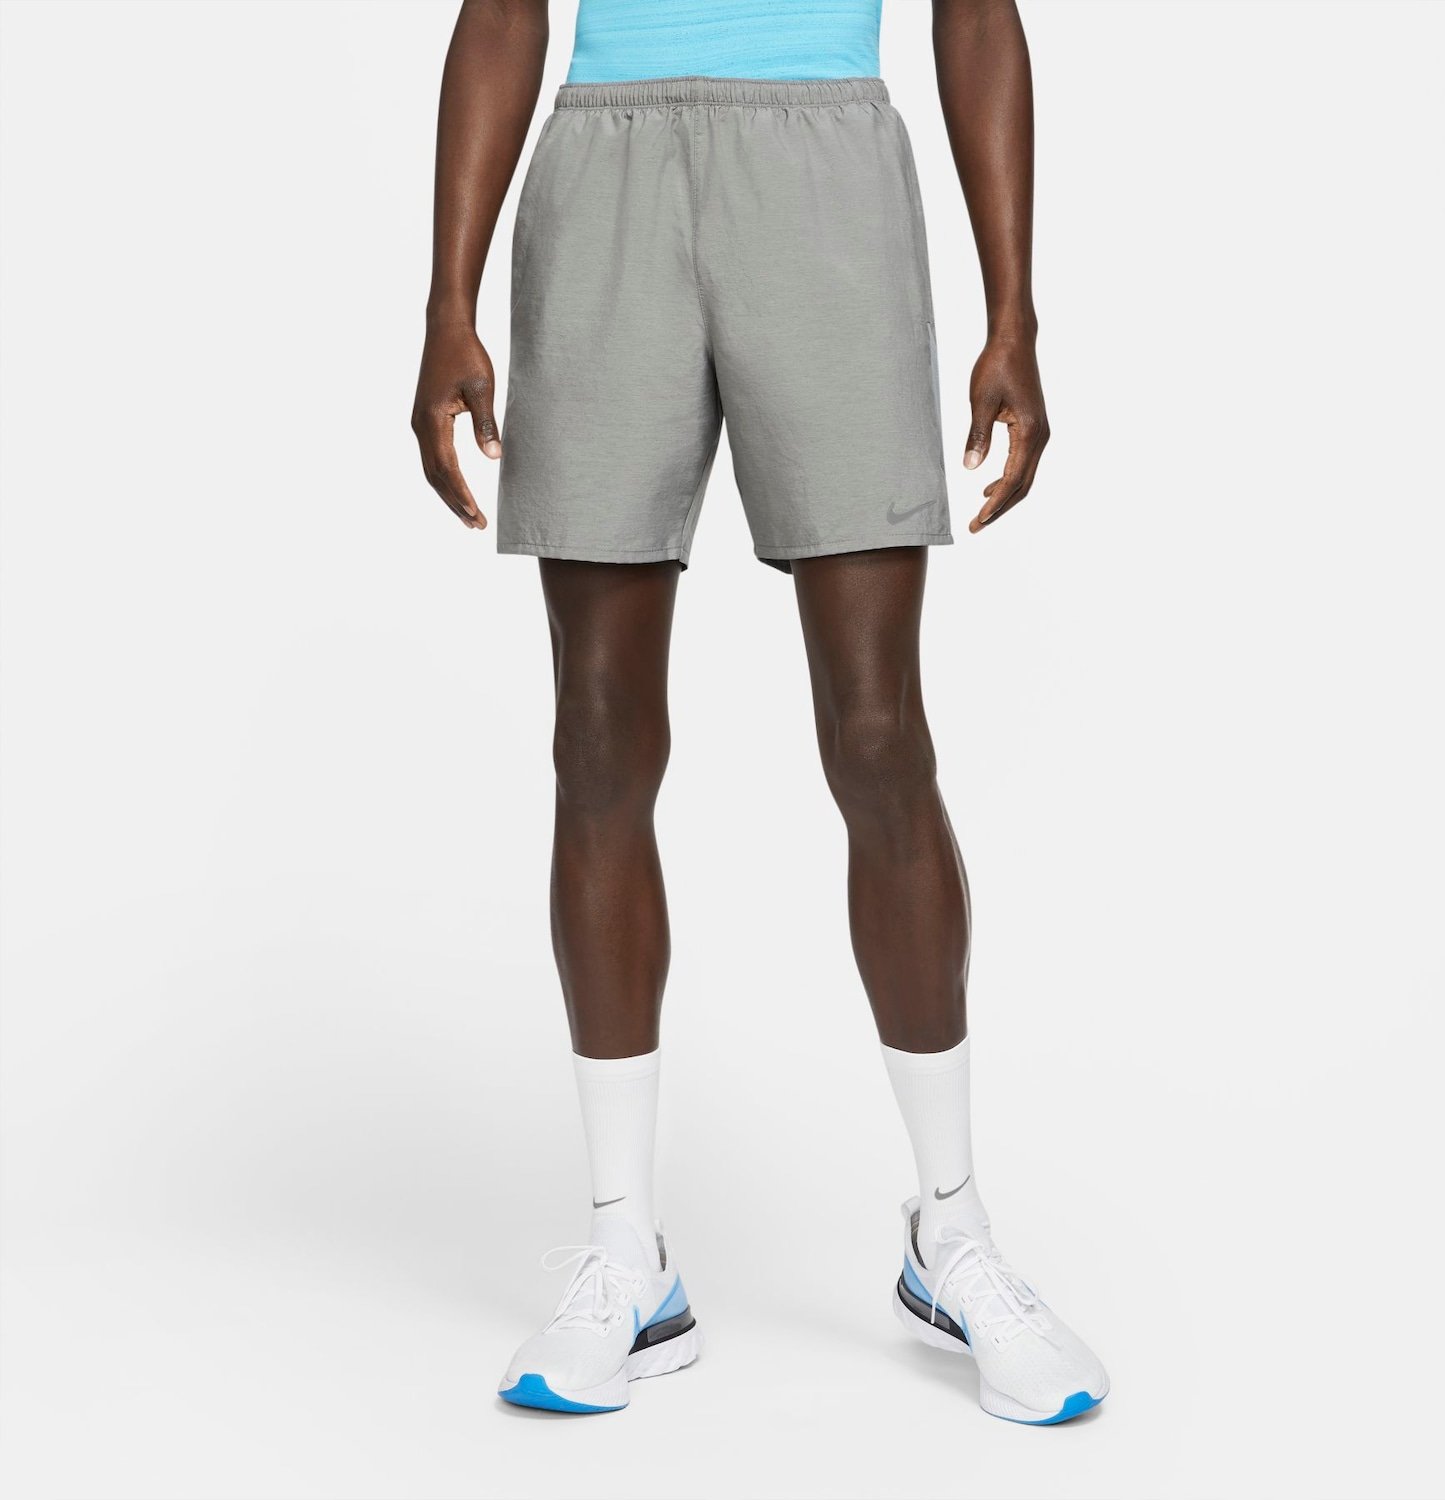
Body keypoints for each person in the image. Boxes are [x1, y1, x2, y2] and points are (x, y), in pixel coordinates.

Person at [412, 0, 1107, 1424]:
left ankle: (953, 1234)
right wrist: (446, 304)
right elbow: (503, 11)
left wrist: (1015, 312)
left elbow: (978, 14)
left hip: (827, 170)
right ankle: (627, 1253)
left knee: (878, 737)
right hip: (603, 169)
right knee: (598, 738)